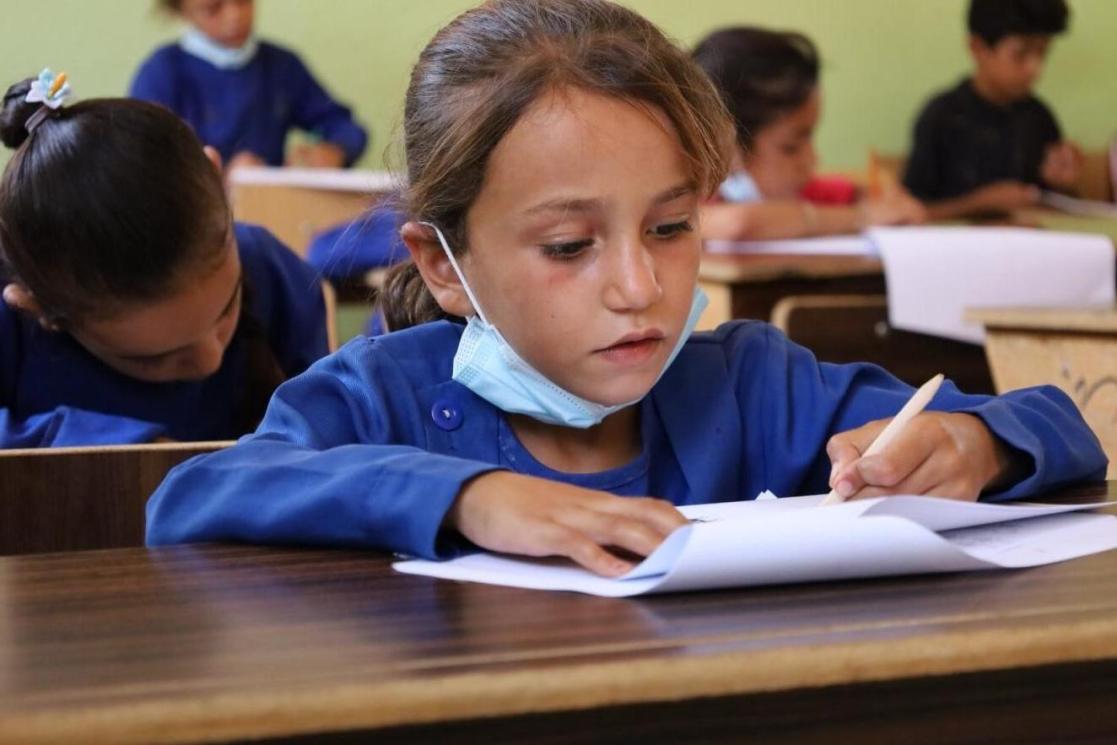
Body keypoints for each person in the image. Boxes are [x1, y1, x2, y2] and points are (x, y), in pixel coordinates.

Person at [146, 0, 1106, 578]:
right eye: (568, 245)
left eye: (671, 226)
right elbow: (192, 498)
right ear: (443, 263)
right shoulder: (379, 396)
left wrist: (973, 444)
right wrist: (472, 497)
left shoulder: (754, 382)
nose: (639, 286)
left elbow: (1058, 429)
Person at [0, 70, 330, 447]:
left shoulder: (271, 268)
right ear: (38, 308)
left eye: (226, 311)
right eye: (154, 359)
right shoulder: (13, 323)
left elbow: (327, 421)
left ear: (217, 179)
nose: (211, 360)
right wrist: (99, 446)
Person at [693, 27, 925, 241]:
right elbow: (738, 223)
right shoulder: (684, 199)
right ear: (725, 143)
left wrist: (882, 198)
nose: (813, 160)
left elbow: (852, 192)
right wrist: (861, 217)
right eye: (790, 147)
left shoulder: (794, 191)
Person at [131, 0, 368, 169]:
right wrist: (217, 178)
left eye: (244, 1)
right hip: (192, 220)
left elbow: (344, 125)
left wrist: (334, 150)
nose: (235, 15)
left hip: (268, 214)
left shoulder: (281, 65)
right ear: (181, 10)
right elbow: (141, 158)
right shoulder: (163, 71)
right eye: (213, 8)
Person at [903, 0, 1080, 219]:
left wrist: (1063, 185)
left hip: (1028, 248)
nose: (1035, 68)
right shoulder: (941, 116)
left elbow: (1053, 206)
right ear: (978, 48)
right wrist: (979, 203)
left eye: (1043, 53)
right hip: (957, 249)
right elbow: (911, 212)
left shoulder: (1039, 116)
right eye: (1020, 53)